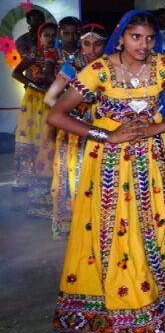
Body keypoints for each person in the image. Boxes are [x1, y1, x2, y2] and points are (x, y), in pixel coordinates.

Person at [46, 10, 165, 333]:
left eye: (150, 38)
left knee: (156, 225)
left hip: (153, 161)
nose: (143, 45)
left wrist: (159, 127)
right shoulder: (99, 70)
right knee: (116, 227)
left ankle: (158, 292)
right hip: (109, 163)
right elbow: (56, 114)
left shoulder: (164, 66)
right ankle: (123, 298)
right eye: (136, 37)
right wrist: (106, 135)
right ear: (121, 37)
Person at [43, 23, 108, 237]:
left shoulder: (111, 65)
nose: (92, 50)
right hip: (76, 130)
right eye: (87, 44)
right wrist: (73, 117)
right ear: (81, 43)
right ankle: (77, 225)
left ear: (105, 44)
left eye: (98, 44)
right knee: (75, 175)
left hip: (106, 127)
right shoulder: (72, 66)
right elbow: (49, 98)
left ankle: (102, 225)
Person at [12, 22, 58, 194]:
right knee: (29, 136)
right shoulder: (35, 53)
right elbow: (16, 73)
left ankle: (47, 178)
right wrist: (34, 86)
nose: (50, 38)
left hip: (52, 98)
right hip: (34, 99)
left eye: (54, 35)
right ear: (40, 37)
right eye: (46, 35)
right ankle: (24, 179)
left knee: (48, 137)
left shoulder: (60, 54)